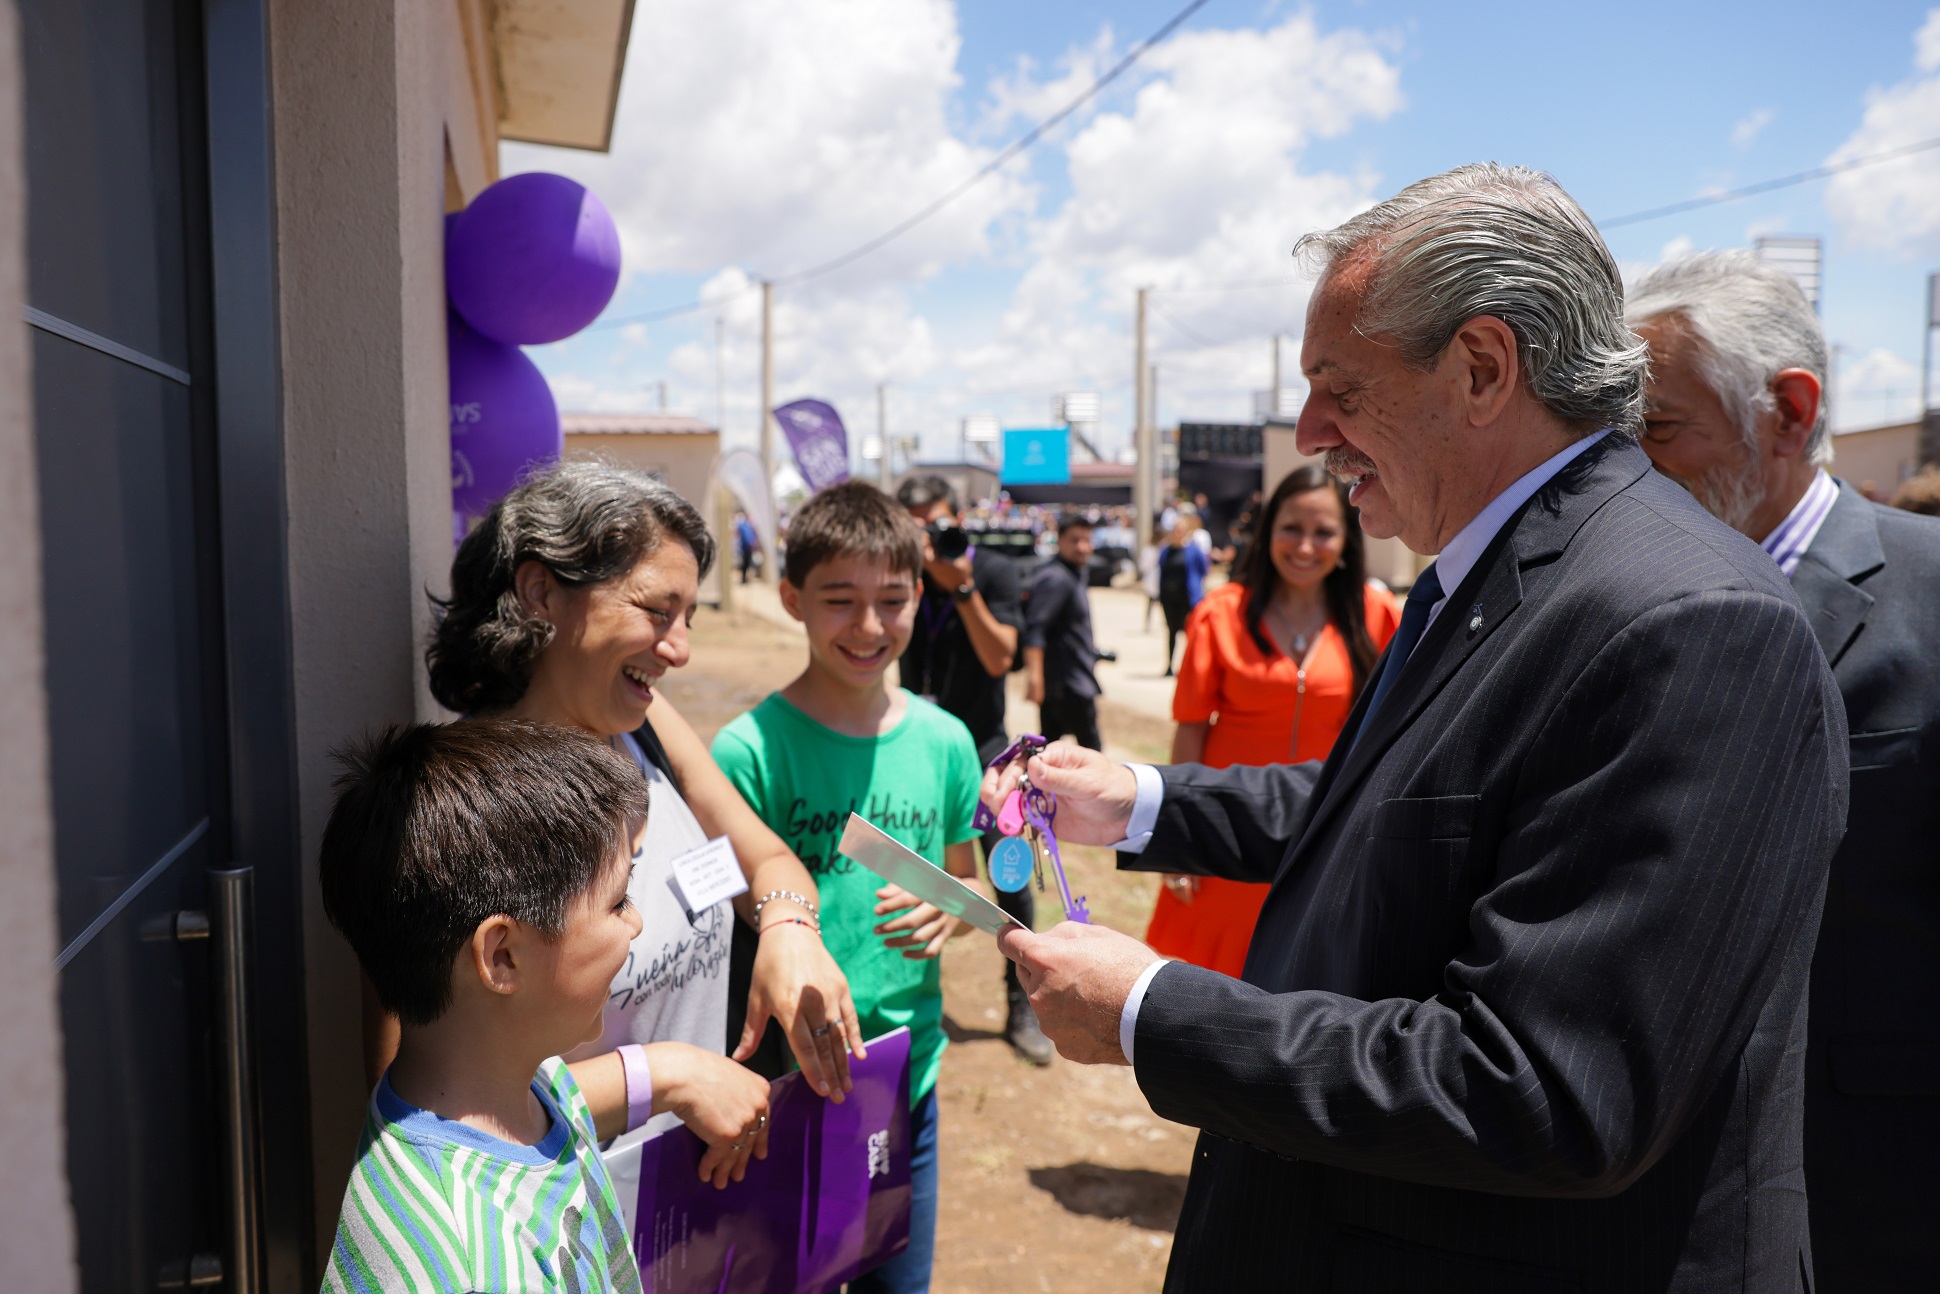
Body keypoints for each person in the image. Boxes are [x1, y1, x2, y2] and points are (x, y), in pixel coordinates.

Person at [986, 164, 1846, 1291]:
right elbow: (1384, 812)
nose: (1308, 428)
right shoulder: (1499, 571)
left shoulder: (1685, 624)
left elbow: (1540, 1086)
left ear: (1482, 367)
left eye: (1337, 384)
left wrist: (1154, 1010)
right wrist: (1140, 799)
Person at [422, 460, 859, 1226]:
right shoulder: (453, 814)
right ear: (540, 593)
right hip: (563, 1242)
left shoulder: (646, 730)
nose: (681, 648)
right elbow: (429, 1106)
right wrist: (663, 1075)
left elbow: (769, 859)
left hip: (699, 1213)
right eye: (659, 611)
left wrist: (790, 925)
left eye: (688, 615)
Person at [1627, 250, 1940, 1289]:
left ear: (1786, 413)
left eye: (1656, 429)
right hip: (1654, 1189)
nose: (1623, 468)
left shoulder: (1927, 599)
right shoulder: (1610, 604)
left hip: (1875, 1192)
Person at [320, 720, 766, 1291]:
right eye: (618, 900)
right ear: (502, 957)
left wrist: (670, 1072)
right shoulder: (460, 1257)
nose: (636, 923)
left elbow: (573, 1096)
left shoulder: (518, 1090)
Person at [711, 481, 987, 1294]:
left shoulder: (946, 741)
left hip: (908, 1080)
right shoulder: (748, 751)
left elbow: (965, 884)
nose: (869, 627)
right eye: (840, 599)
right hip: (780, 1091)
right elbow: (731, 914)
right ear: (792, 598)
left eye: (893, 601)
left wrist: (953, 911)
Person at [1145, 465, 1400, 978]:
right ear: (1266, 532)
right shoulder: (1220, 613)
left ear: (1347, 539)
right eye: (1291, 528)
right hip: (1226, 830)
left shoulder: (1378, 615)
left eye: (1323, 532)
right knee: (1203, 1002)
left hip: (1327, 836)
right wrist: (1180, 838)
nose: (1305, 547)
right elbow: (1191, 728)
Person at [895, 475, 1052, 1065]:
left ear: (956, 519)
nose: (927, 539)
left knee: (1008, 879)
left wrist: (962, 590)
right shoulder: (897, 575)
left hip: (985, 753)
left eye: (934, 524)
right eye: (911, 526)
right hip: (913, 745)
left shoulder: (992, 571)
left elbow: (1000, 657)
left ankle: (1022, 1002)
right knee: (907, 873)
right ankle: (900, 999)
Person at [1023, 514, 1103, 749]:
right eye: (1075, 540)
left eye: (1087, 540)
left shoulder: (1074, 572)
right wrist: (1035, 678)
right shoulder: (1056, 578)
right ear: (1059, 540)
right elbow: (1035, 629)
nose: (1082, 547)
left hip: (1074, 677)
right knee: (1091, 752)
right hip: (1065, 684)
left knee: (1050, 748)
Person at [1154, 510, 1211, 676]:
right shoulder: (1166, 550)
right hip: (1169, 598)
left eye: (1180, 529)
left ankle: (1189, 667)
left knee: (1190, 633)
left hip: (1188, 598)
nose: (1177, 532)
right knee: (1171, 631)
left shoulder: (1194, 550)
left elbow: (1204, 569)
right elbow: (1161, 570)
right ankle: (1169, 666)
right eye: (1175, 529)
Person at [734, 510, 760, 583]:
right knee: (745, 563)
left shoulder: (748, 525)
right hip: (745, 547)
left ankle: (745, 578)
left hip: (748, 547)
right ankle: (744, 578)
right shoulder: (743, 525)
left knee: (747, 563)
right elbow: (745, 537)